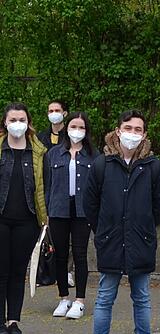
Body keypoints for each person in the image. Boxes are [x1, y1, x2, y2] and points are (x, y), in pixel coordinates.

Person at [82, 110, 160, 334]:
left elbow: (158, 205)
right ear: (118, 131)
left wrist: (142, 229)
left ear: (144, 135)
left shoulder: (152, 166)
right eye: (128, 128)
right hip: (110, 240)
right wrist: (105, 231)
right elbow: (90, 203)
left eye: (138, 129)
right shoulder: (102, 164)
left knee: (141, 297)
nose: (132, 134)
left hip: (140, 240)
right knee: (105, 297)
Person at [0, 103, 48, 334]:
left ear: (28, 123)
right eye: (13, 119)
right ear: (5, 123)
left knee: (19, 272)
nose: (17, 123)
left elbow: (43, 187)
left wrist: (44, 220)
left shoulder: (38, 151)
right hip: (1, 220)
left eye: (22, 119)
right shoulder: (0, 150)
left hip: (27, 221)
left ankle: (13, 322)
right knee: (1, 272)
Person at [43, 111, 97, 319]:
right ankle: (63, 297)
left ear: (86, 131)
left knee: (81, 254)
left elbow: (96, 187)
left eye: (81, 127)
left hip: (82, 211)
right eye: (74, 126)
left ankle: (80, 300)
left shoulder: (93, 155)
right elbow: (47, 185)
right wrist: (46, 212)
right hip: (58, 210)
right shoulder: (54, 154)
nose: (77, 131)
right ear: (67, 128)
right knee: (60, 255)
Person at [38, 100, 75, 287]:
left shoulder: (69, 136)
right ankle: (44, 270)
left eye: (57, 110)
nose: (54, 113)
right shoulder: (41, 136)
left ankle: (68, 271)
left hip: (64, 186)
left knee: (67, 234)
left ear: (64, 113)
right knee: (46, 232)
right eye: (50, 110)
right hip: (45, 183)